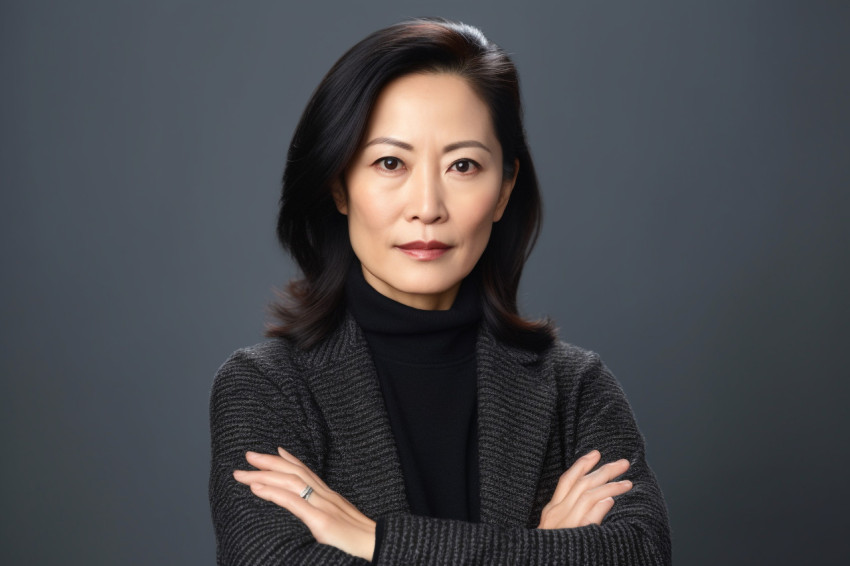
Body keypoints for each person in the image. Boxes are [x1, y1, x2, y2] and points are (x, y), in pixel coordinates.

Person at [209, 18, 671, 565]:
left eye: (463, 165)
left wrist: (378, 542)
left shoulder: (575, 389)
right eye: (389, 163)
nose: (427, 205)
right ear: (339, 186)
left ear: (503, 190)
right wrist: (546, 553)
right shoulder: (266, 389)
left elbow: (637, 555)